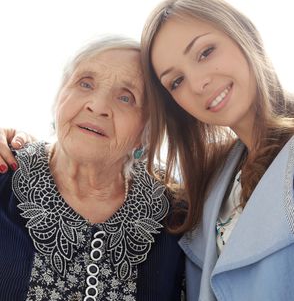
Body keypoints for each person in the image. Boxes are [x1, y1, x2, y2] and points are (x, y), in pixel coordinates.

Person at [0, 36, 185, 300]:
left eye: (126, 97)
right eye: (85, 83)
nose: (97, 106)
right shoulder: (4, 174)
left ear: (147, 130)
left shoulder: (177, 215)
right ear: (59, 96)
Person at [139, 0, 294, 300]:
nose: (197, 84)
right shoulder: (213, 181)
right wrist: (21, 149)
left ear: (243, 33)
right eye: (176, 82)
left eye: (205, 52)